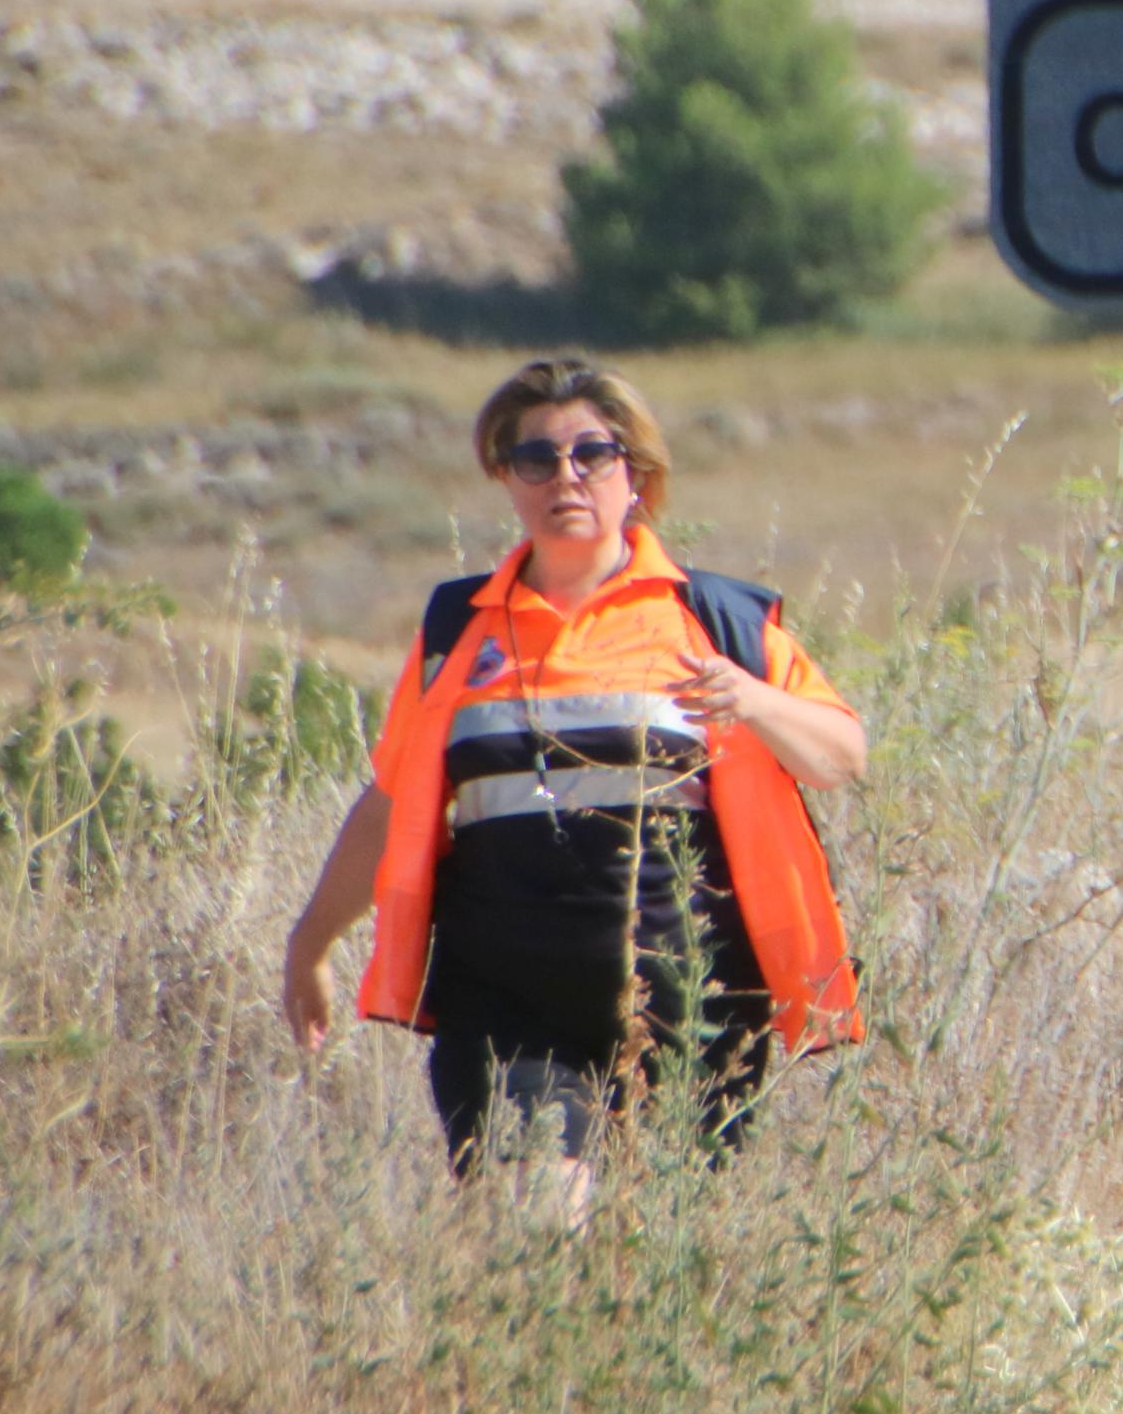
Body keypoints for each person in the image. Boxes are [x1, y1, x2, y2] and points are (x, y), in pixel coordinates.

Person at [281, 358, 867, 1192]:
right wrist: (311, 941)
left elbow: (840, 756)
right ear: (507, 479)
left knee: (659, 1263)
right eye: (536, 458)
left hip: (692, 1003)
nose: (566, 475)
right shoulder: (459, 629)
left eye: (592, 453)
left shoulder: (715, 619)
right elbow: (390, 802)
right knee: (537, 1226)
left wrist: (753, 700)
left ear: (636, 476)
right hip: (508, 1006)